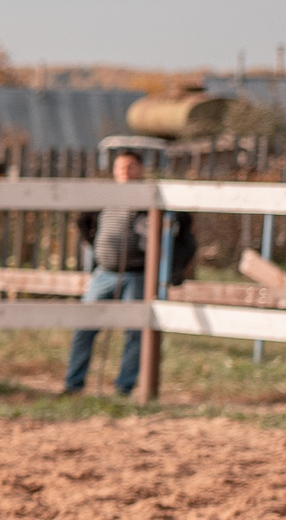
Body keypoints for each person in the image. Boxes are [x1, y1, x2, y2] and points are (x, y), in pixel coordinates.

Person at [63, 150, 192, 396]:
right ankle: (73, 384)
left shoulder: (150, 197)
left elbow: (183, 230)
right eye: (120, 167)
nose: (124, 171)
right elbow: (84, 223)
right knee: (85, 326)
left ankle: (124, 387)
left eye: (130, 166)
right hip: (105, 273)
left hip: (138, 274)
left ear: (140, 169)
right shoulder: (104, 197)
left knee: (135, 332)